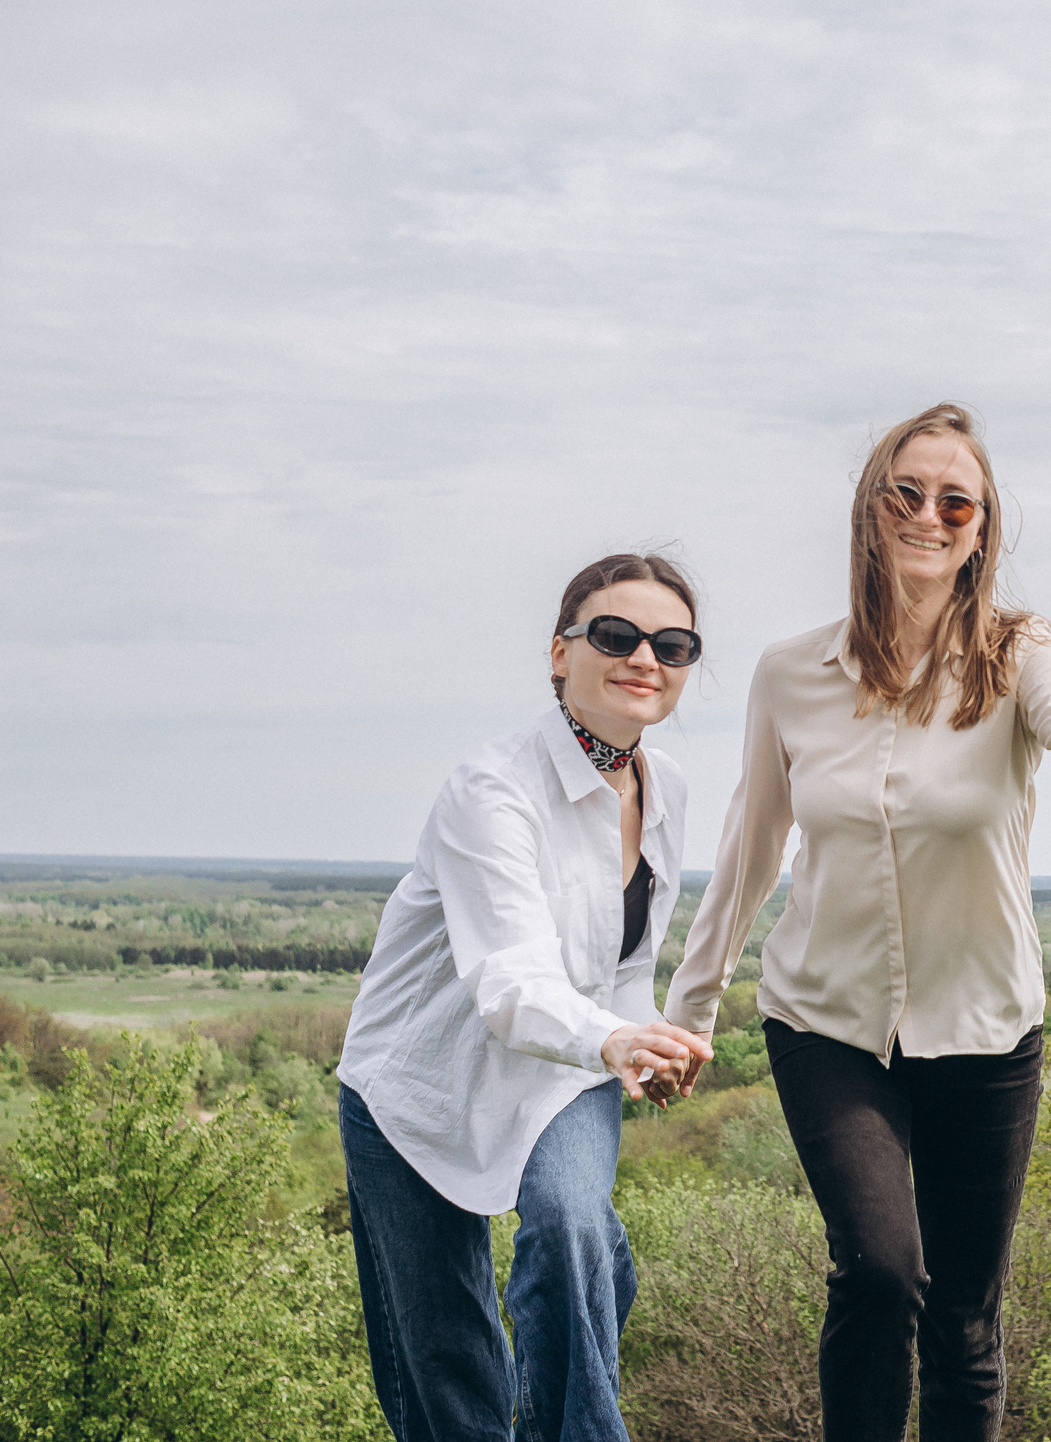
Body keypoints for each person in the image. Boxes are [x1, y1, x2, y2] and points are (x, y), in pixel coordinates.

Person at [661, 402, 1051, 1442]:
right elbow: (752, 847)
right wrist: (692, 1008)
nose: (928, 514)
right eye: (907, 491)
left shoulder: (1019, 656)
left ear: (980, 529)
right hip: (827, 1023)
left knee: (965, 1317)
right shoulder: (790, 674)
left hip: (984, 1034)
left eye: (955, 500)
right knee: (882, 1272)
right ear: (869, 508)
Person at [337, 551, 718, 1442]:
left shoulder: (670, 791)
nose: (644, 658)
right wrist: (616, 1040)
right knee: (451, 1380)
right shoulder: (493, 786)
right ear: (560, 653)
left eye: (673, 643)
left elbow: (624, 964)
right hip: (416, 1095)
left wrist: (643, 1035)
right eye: (617, 635)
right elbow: (508, 982)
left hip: (563, 1073)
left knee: (571, 1224)